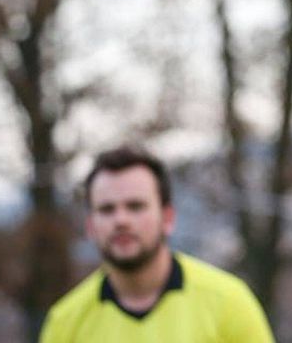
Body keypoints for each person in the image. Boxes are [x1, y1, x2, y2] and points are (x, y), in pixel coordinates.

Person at [40, 146, 275, 343]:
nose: (121, 220)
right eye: (106, 209)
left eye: (135, 206)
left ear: (167, 218)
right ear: (90, 226)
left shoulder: (229, 304)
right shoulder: (64, 324)